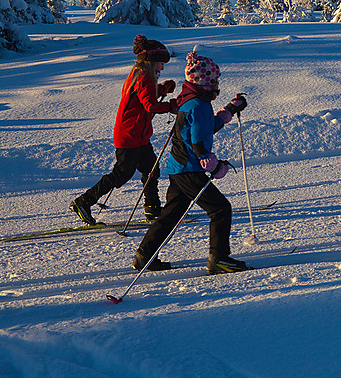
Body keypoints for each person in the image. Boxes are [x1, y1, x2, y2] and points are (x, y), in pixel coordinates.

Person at [133, 48, 249, 274]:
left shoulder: (192, 100)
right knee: (220, 209)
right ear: (204, 82)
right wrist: (213, 165)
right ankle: (219, 259)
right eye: (214, 81)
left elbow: (205, 129)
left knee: (171, 215)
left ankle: (144, 256)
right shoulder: (199, 105)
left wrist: (229, 111)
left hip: (179, 168)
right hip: (189, 169)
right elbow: (198, 142)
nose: (217, 84)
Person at [70, 35, 177, 226]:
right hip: (130, 135)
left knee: (151, 169)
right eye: (161, 63)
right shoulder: (143, 77)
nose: (162, 67)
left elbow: (144, 98)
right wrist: (171, 106)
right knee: (122, 173)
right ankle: (83, 202)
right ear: (151, 62)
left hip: (139, 135)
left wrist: (161, 89)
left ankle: (152, 208)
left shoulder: (141, 74)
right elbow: (150, 105)